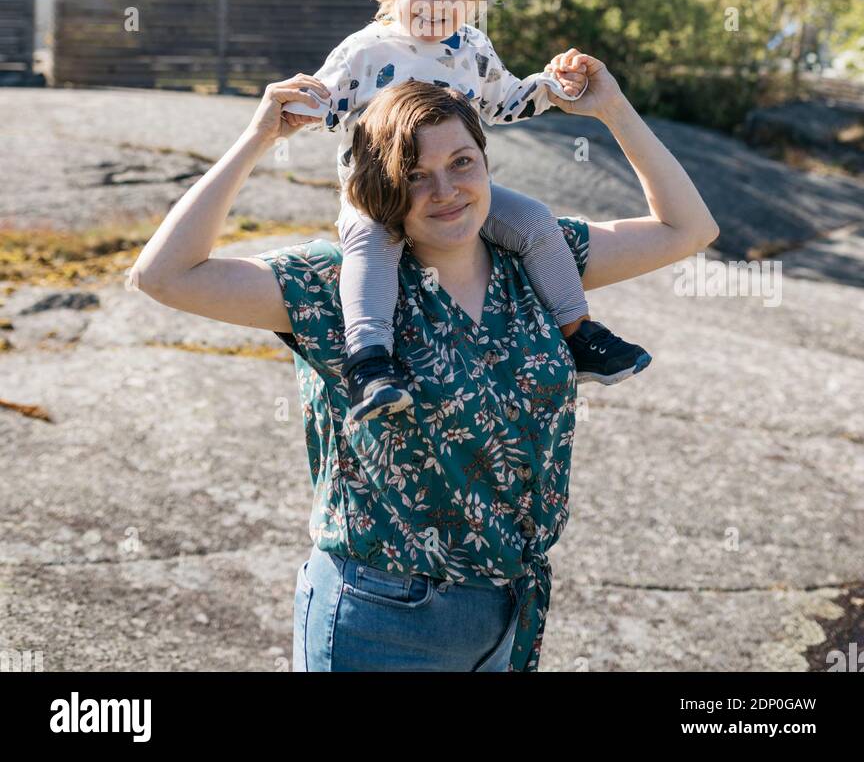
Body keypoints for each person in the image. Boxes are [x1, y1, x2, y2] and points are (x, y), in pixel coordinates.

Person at [130, 53, 718, 672]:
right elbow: (163, 275)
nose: (445, 191)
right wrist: (258, 139)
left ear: (486, 162)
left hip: (507, 609)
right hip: (382, 619)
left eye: (462, 162)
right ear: (381, 186)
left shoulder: (541, 263)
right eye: (414, 175)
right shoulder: (337, 286)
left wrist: (612, 109)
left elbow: (688, 229)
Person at [283, 0, 651, 421]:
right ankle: (369, 364)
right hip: (382, 194)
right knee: (369, 243)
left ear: (475, 0)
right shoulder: (367, 51)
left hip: (458, 191)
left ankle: (579, 332)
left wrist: (552, 85)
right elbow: (327, 103)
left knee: (536, 222)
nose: (433, 1)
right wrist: (301, 103)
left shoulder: (473, 50)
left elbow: (505, 103)